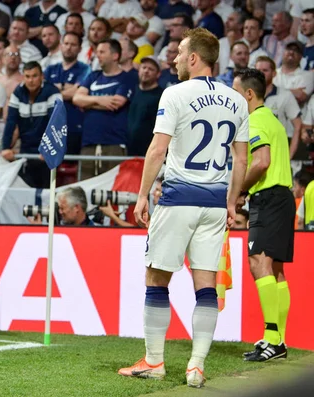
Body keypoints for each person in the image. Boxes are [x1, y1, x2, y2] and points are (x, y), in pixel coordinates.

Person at [119, 28, 249, 387]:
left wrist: (142, 194)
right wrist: (232, 202)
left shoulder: (174, 94)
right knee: (206, 283)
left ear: (194, 58)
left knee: (156, 277)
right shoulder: (237, 100)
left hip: (178, 198)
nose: (173, 59)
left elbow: (158, 149)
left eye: (178, 53)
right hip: (214, 203)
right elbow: (241, 159)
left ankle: (155, 362)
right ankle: (196, 365)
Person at [232, 68, 294, 362]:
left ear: (248, 94)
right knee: (277, 269)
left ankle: (272, 337)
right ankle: (277, 339)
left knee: (258, 263)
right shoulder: (273, 121)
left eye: (235, 92)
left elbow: (261, 162)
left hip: (268, 198)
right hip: (282, 197)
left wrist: (239, 191)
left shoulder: (254, 121)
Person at [72, 39, 134, 180]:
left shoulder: (126, 78)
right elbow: (76, 98)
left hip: (114, 144)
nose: (97, 55)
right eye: (97, 52)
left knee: (112, 189)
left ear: (115, 56)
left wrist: (87, 102)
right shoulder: (93, 76)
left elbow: (116, 103)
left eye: (102, 52)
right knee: (85, 188)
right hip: (89, 142)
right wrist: (100, 100)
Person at [1, 61, 62, 188]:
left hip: (46, 151)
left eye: (34, 76)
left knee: (46, 193)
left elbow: (56, 123)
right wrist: (5, 147)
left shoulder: (52, 92)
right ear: (23, 77)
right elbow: (11, 121)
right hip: (26, 150)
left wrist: (48, 148)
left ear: (42, 77)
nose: (31, 80)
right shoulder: (18, 92)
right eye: (27, 76)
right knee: (26, 191)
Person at [29, 186, 94, 226]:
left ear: (76, 208)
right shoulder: (61, 230)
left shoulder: (94, 233)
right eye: (59, 208)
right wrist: (38, 230)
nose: (60, 212)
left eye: (62, 208)